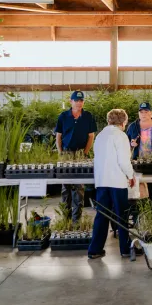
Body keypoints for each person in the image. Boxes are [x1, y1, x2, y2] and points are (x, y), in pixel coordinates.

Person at [88, 108, 135, 259]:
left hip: (102, 181)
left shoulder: (100, 136)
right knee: (122, 215)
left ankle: (95, 250)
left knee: (101, 215)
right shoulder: (121, 136)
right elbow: (123, 161)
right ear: (123, 122)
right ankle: (125, 249)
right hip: (117, 182)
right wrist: (131, 175)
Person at [55, 91, 96, 223]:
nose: (79, 103)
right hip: (66, 153)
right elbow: (59, 136)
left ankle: (76, 219)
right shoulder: (63, 116)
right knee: (66, 187)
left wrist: (85, 152)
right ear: (70, 101)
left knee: (78, 187)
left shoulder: (88, 116)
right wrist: (61, 152)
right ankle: (65, 218)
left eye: (81, 100)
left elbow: (91, 136)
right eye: (76, 100)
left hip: (81, 154)